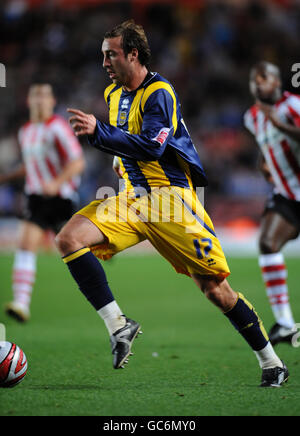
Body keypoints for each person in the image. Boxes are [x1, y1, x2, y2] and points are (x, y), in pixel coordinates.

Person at [56, 21, 288, 387]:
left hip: (170, 200)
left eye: (110, 54)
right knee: (69, 238)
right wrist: (117, 157)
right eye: (103, 55)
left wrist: (100, 133)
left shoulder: (160, 92)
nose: (104, 62)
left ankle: (271, 361)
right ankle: (119, 325)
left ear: (133, 54)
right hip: (132, 197)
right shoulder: (114, 95)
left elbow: (153, 145)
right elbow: (128, 144)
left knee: (215, 289)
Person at [0, 83, 85, 322]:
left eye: (44, 96)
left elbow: (77, 162)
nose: (39, 100)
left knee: (78, 250)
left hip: (61, 198)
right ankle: (21, 303)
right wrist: (5, 178)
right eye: (35, 96)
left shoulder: (57, 127)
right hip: (36, 197)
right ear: (29, 101)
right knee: (26, 244)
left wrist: (57, 183)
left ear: (52, 100)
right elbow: (32, 166)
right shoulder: (25, 131)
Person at [244, 61, 300, 346]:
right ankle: (286, 323)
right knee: (267, 243)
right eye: (255, 78)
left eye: (263, 77)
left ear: (277, 82)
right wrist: (265, 164)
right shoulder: (251, 117)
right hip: (287, 194)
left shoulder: (294, 107)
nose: (258, 82)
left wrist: (281, 125)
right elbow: (266, 147)